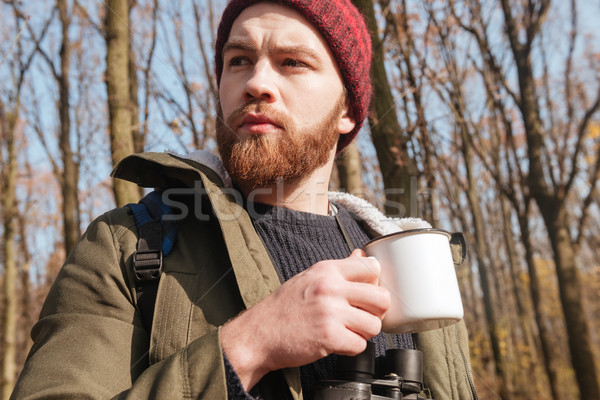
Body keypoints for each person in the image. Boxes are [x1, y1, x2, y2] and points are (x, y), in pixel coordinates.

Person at [12, 0, 477, 399]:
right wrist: (250, 344)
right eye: (238, 60)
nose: (257, 82)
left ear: (348, 109)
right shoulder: (127, 243)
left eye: (292, 62)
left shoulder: (412, 266)